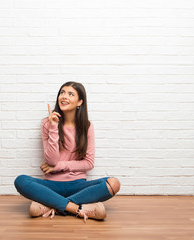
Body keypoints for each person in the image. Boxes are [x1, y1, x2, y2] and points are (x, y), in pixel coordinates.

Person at [14, 81, 120, 223]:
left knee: (113, 183)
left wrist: (59, 166)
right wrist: (53, 126)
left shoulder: (87, 126)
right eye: (62, 92)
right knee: (20, 180)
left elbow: (88, 163)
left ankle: (51, 204)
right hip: (51, 186)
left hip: (78, 186)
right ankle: (76, 208)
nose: (64, 96)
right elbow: (51, 160)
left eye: (70, 94)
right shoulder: (47, 123)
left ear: (79, 102)